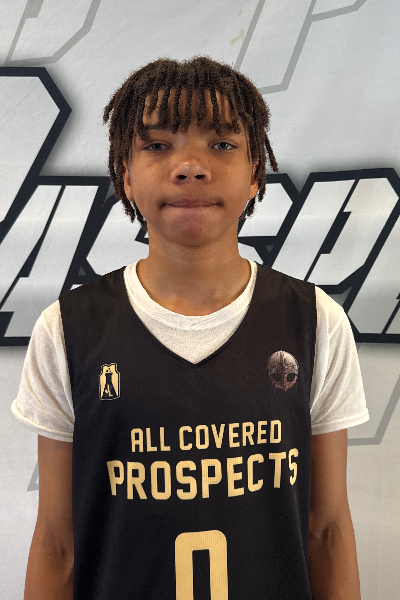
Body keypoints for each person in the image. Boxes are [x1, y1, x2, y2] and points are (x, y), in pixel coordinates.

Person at [12, 56, 369, 599]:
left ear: (255, 173)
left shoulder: (315, 321)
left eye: (221, 144)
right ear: (125, 176)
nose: (190, 166)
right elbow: (58, 544)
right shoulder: (68, 328)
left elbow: (327, 529)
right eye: (158, 145)